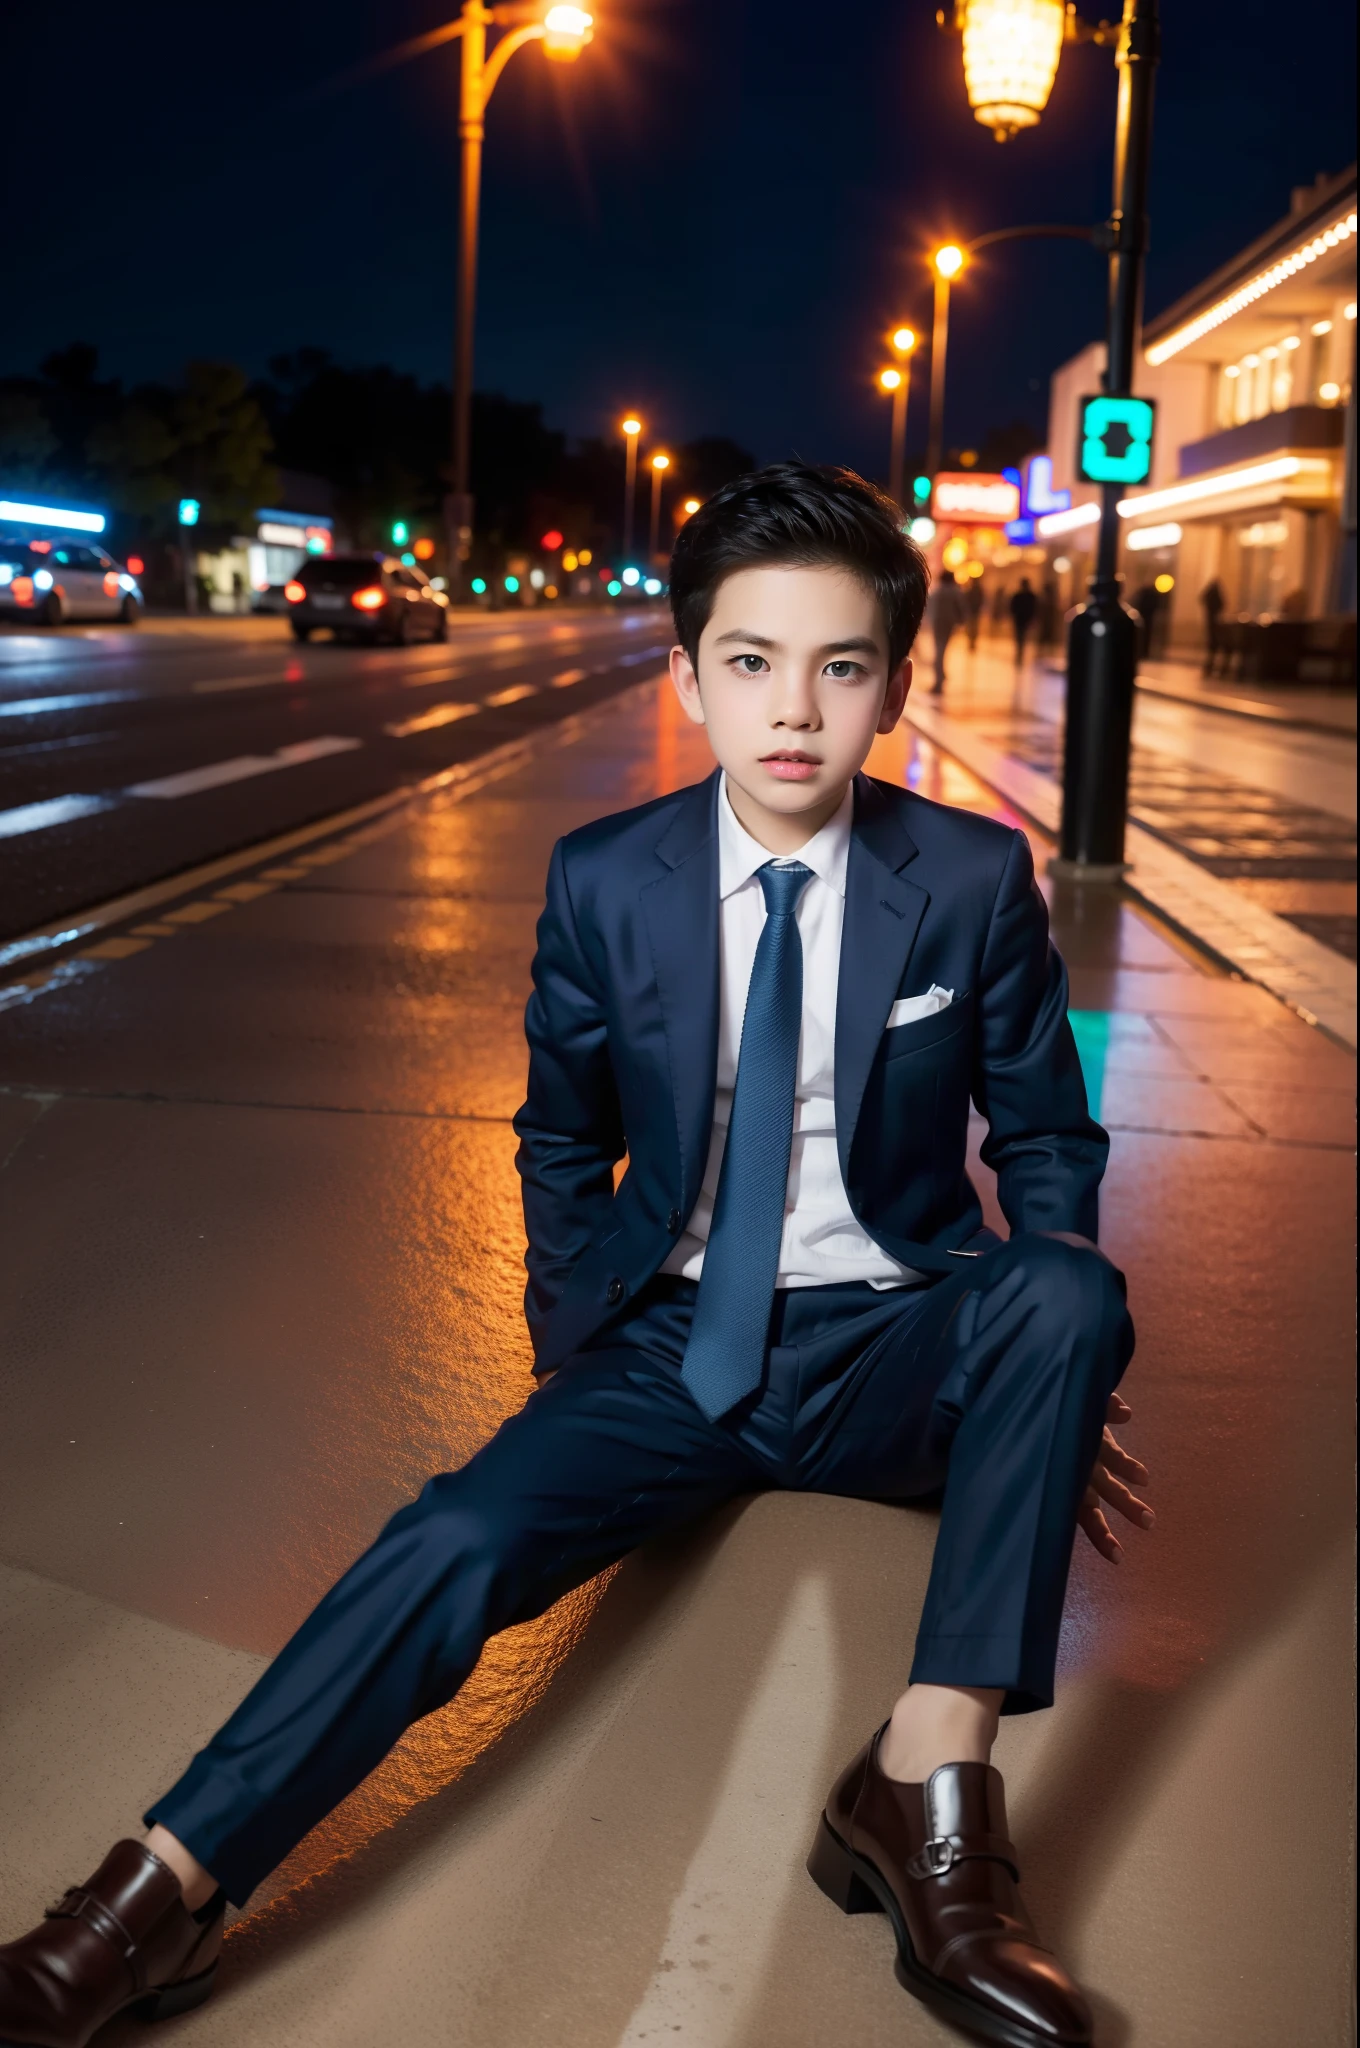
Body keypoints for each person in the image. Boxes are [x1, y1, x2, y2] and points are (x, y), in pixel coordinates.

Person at [0, 465, 1149, 2048]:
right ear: (687, 679)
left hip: (897, 1335)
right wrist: (573, 1355)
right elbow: (559, 1138)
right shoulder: (608, 879)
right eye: (750, 662)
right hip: (675, 1346)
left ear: (894, 683)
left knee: (1070, 1294)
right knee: (461, 1534)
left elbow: (1045, 1144)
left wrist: (1056, 1377)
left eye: (839, 666)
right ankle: (155, 1895)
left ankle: (926, 1787)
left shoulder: (964, 880)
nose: (793, 709)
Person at [925, 566, 964, 692]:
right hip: (949, 623)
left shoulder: (937, 591)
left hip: (937, 623)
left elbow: (929, 607)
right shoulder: (955, 591)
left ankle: (939, 677)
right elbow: (962, 607)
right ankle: (941, 675)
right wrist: (961, 621)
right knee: (943, 649)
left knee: (939, 649)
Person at [1199, 576, 1225, 675]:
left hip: (1213, 621)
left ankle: (1210, 664)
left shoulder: (1210, 593)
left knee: (1212, 643)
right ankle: (1210, 664)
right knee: (1212, 643)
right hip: (1214, 621)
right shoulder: (1213, 594)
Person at [1009, 576, 1038, 662]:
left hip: (1022, 618)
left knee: (1021, 634)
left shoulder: (1025, 596)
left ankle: (1020, 649)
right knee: (1021, 634)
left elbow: (1034, 608)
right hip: (1021, 618)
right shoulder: (1028, 596)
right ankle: (1020, 648)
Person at [960, 570, 984, 650]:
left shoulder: (971, 590)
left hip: (972, 611)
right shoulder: (978, 590)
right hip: (974, 612)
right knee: (973, 628)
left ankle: (971, 642)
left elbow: (966, 600)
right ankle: (972, 642)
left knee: (971, 628)